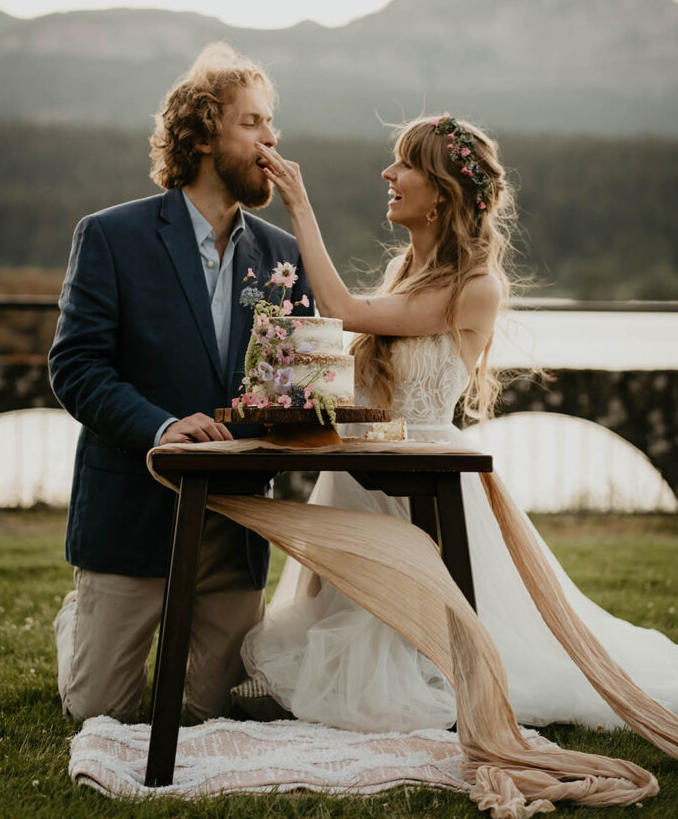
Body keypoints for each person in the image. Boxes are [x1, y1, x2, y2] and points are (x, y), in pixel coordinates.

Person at [232, 113, 678, 734]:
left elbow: (343, 310)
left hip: (428, 478)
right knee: (334, 634)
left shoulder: (477, 287)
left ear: (441, 191)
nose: (388, 174)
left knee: (412, 659)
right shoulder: (401, 273)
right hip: (365, 467)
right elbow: (352, 362)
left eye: (405, 163)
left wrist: (300, 206)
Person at [48, 42, 312, 724]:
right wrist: (163, 428)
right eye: (252, 122)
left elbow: (291, 379)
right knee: (97, 712)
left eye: (270, 123)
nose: (270, 137)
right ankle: (82, 619)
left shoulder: (283, 257)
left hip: (233, 523)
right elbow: (76, 368)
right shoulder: (111, 236)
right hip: (132, 513)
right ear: (200, 135)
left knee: (208, 713)